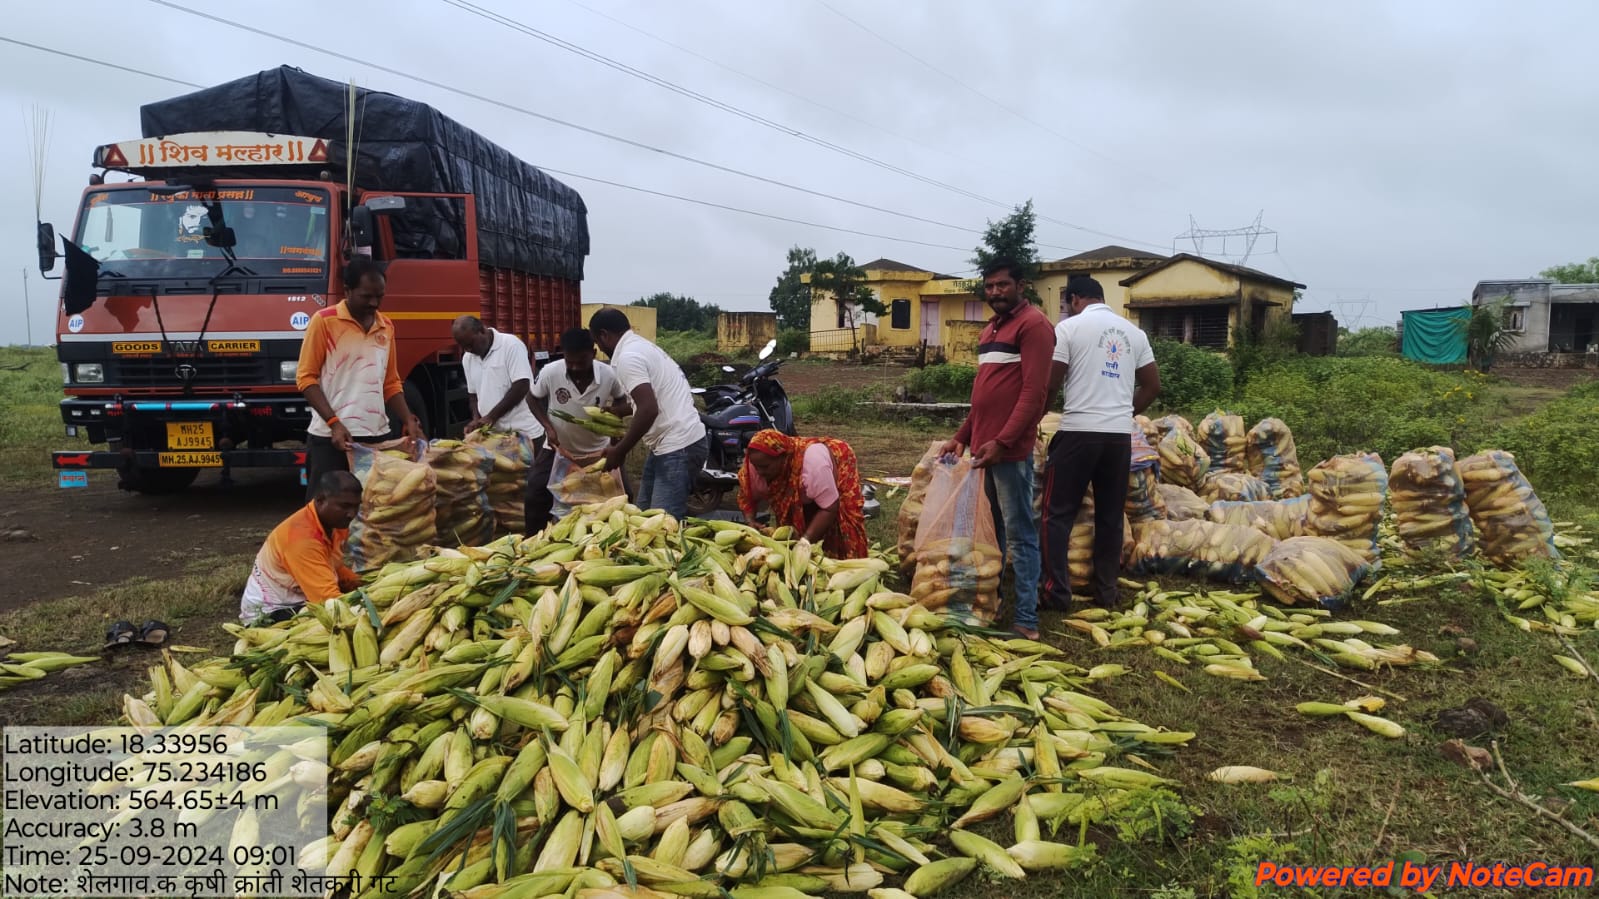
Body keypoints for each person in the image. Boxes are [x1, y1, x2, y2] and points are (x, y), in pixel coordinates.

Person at [938, 258, 1054, 639]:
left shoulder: (1034, 325)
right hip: (985, 449)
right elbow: (983, 399)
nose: (994, 293)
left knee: (1020, 535)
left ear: (1021, 286)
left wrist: (1004, 442)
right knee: (994, 534)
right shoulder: (990, 331)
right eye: (988, 287)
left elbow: (1034, 393)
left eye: (1002, 285)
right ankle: (995, 602)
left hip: (1010, 451)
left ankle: (1027, 619)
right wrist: (962, 436)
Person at [1041, 275, 1161, 611]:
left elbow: (1051, 382)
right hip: (1118, 439)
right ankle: (1106, 593)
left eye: (1067, 304)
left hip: (1078, 433)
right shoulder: (1135, 334)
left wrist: (1040, 412)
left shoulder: (1068, 330)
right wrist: (1123, 413)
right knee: (1110, 516)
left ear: (1075, 299)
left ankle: (1056, 593)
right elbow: (1152, 386)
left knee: (1056, 515)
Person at [296, 256, 425, 501]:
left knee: (372, 509)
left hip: (376, 435)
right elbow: (306, 379)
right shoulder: (324, 321)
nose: (374, 303)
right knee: (325, 510)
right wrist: (334, 423)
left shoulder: (386, 326)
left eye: (380, 296)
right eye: (366, 296)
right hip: (331, 438)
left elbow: (391, 382)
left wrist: (408, 418)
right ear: (347, 290)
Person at [588, 308, 709, 519]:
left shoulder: (628, 357)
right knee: (642, 518)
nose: (600, 349)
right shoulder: (642, 347)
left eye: (598, 343)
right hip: (668, 445)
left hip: (678, 446)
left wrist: (620, 449)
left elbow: (649, 409)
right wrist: (618, 410)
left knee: (661, 526)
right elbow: (652, 399)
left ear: (604, 335)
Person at [452, 315, 553, 534]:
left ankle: (535, 533)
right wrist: (476, 418)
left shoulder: (510, 345)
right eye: (463, 346)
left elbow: (522, 385)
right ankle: (508, 534)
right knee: (502, 491)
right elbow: (472, 395)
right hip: (496, 438)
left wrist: (492, 416)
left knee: (530, 488)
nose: (467, 350)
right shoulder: (468, 358)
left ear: (482, 331)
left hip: (524, 433)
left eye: (470, 344)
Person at [528, 328, 631, 521]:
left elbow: (620, 399)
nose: (575, 367)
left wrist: (615, 428)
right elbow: (532, 398)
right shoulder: (550, 372)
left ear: (593, 354)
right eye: (570, 362)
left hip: (598, 450)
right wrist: (548, 428)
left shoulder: (608, 375)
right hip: (558, 448)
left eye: (581, 361)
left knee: (625, 495)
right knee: (535, 493)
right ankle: (533, 540)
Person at [239, 471, 363, 623]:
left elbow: (332, 565)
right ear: (320, 500)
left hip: (301, 595)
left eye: (356, 506)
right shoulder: (301, 541)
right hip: (271, 612)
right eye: (345, 506)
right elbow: (328, 601)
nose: (352, 514)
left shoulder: (336, 523)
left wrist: (363, 585)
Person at [738, 430, 869, 558]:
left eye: (765, 467)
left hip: (839, 461)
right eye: (756, 466)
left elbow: (830, 508)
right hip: (811, 482)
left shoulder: (813, 465)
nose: (760, 471)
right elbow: (746, 496)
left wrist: (804, 542)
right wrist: (750, 520)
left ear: (783, 457)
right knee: (798, 520)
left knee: (842, 521)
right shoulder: (754, 465)